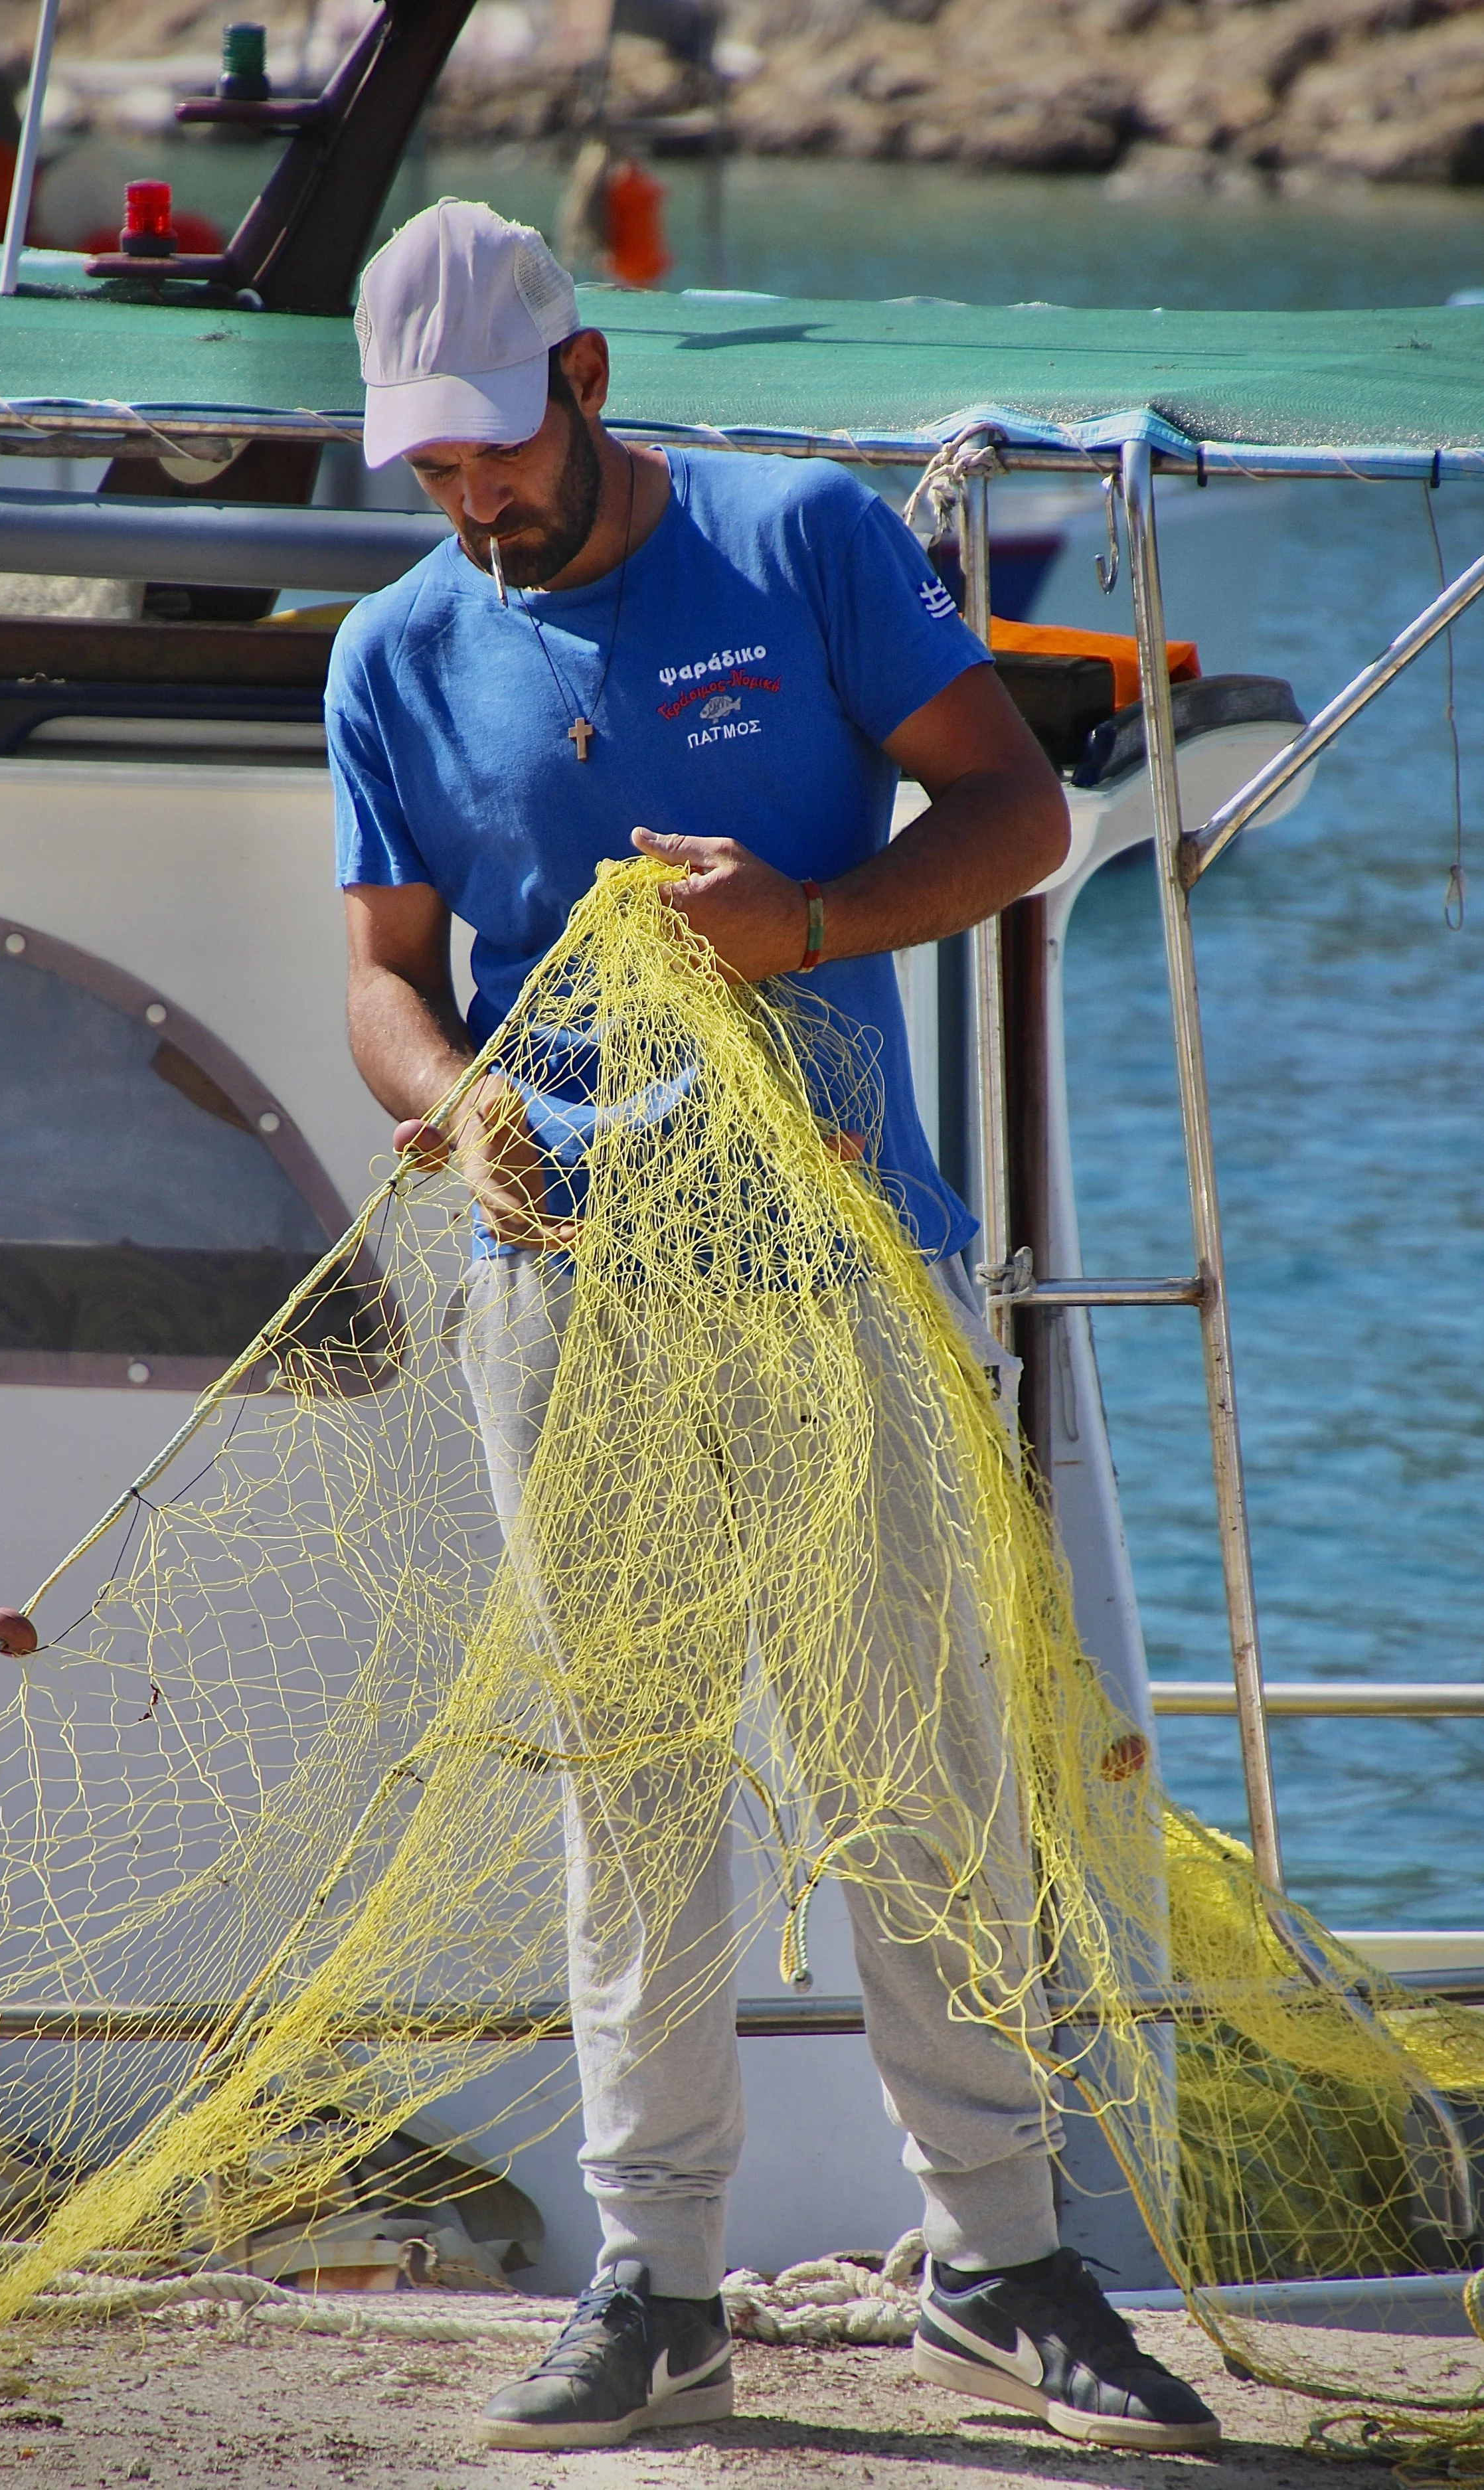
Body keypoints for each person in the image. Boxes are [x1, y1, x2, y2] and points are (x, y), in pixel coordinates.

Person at [328, 197, 1221, 2461]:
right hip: (566, 1294)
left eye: (493, 454)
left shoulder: (801, 538)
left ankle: (997, 2255)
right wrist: (450, 1117)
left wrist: (808, 918)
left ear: (589, 380)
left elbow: (1017, 807)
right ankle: (656, 2281)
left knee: (907, 1761)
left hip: (842, 1263)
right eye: (427, 469)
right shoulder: (392, 656)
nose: (469, 499)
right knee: (622, 1790)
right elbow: (383, 978)